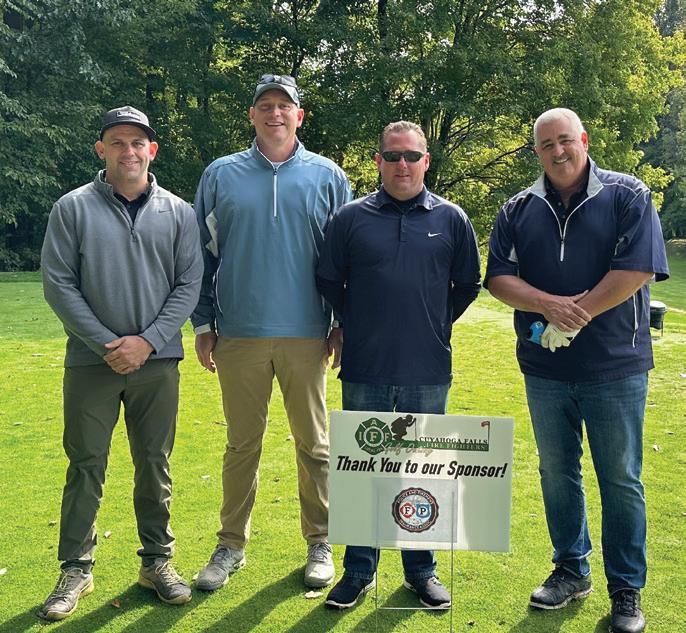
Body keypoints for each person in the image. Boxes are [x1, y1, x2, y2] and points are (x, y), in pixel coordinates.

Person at [485, 108, 669, 633]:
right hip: (544, 367)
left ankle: (626, 588)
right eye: (546, 145)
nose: (558, 151)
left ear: (583, 140)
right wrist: (548, 305)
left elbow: (637, 269)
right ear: (537, 152)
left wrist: (576, 312)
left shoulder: (628, 194)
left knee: (620, 478)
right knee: (557, 472)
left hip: (615, 366)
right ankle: (571, 569)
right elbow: (498, 278)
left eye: (565, 140)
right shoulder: (518, 208)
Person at [39, 106, 203, 620]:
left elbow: (189, 284)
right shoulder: (72, 208)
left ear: (152, 150)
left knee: (154, 462)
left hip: (158, 361)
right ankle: (76, 568)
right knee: (86, 462)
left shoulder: (179, 212)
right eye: (117, 142)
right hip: (92, 362)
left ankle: (157, 561)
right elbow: (58, 284)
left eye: (137, 142)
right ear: (102, 149)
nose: (128, 151)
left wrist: (147, 342)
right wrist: (108, 344)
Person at [191, 74, 352, 591]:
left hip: (307, 333)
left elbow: (343, 260)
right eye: (266, 105)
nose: (275, 113)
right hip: (238, 333)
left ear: (299, 116)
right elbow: (200, 257)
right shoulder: (221, 174)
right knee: (242, 445)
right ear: (252, 114)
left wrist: (340, 322)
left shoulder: (329, 176)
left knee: (316, 446)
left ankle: (320, 541)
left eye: (285, 105)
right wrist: (203, 322)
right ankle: (230, 545)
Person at [316, 120, 481, 610]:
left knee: (421, 472)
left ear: (426, 161)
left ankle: (420, 571)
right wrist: (354, 323)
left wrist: (434, 324)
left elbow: (468, 284)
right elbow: (329, 279)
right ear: (378, 162)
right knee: (361, 471)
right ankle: (358, 570)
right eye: (392, 156)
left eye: (411, 156)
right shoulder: (350, 218)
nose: (402, 165)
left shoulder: (452, 218)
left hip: (426, 368)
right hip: (365, 366)